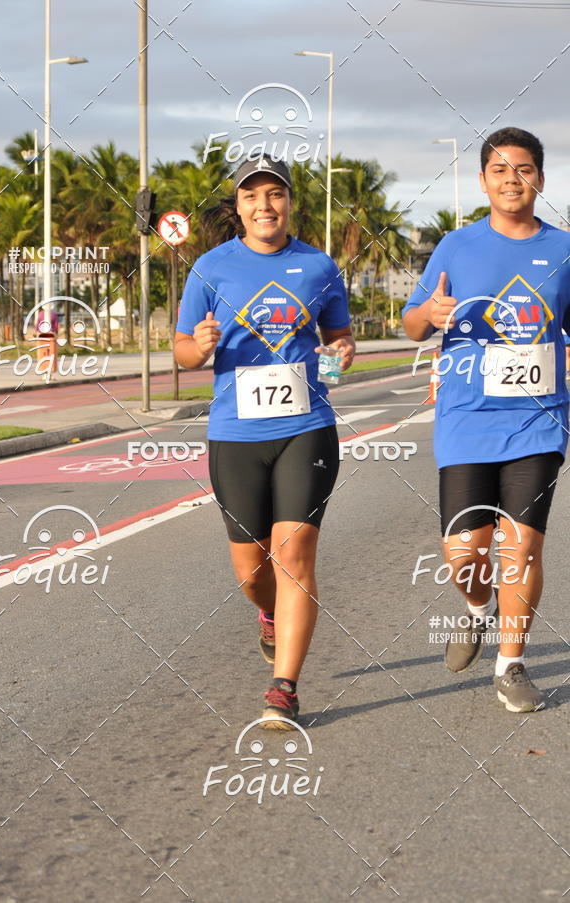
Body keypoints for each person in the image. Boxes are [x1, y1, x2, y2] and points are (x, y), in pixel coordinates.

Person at [175, 155, 355, 729]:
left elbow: (338, 337)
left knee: (294, 556)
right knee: (253, 571)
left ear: (289, 202)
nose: (264, 206)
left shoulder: (318, 266)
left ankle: (284, 687)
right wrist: (199, 347)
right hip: (235, 434)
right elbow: (180, 351)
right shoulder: (209, 269)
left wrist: (341, 356)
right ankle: (269, 615)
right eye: (252, 196)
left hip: (306, 428)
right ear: (239, 207)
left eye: (274, 194)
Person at [403, 127, 570, 713]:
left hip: (538, 422)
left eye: (522, 170)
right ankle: (478, 611)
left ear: (540, 179)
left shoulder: (563, 250)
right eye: (499, 171)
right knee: (464, 552)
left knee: (520, 548)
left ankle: (511, 664)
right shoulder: (455, 246)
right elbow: (413, 324)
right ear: (483, 181)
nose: (511, 180)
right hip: (466, 420)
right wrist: (428, 310)